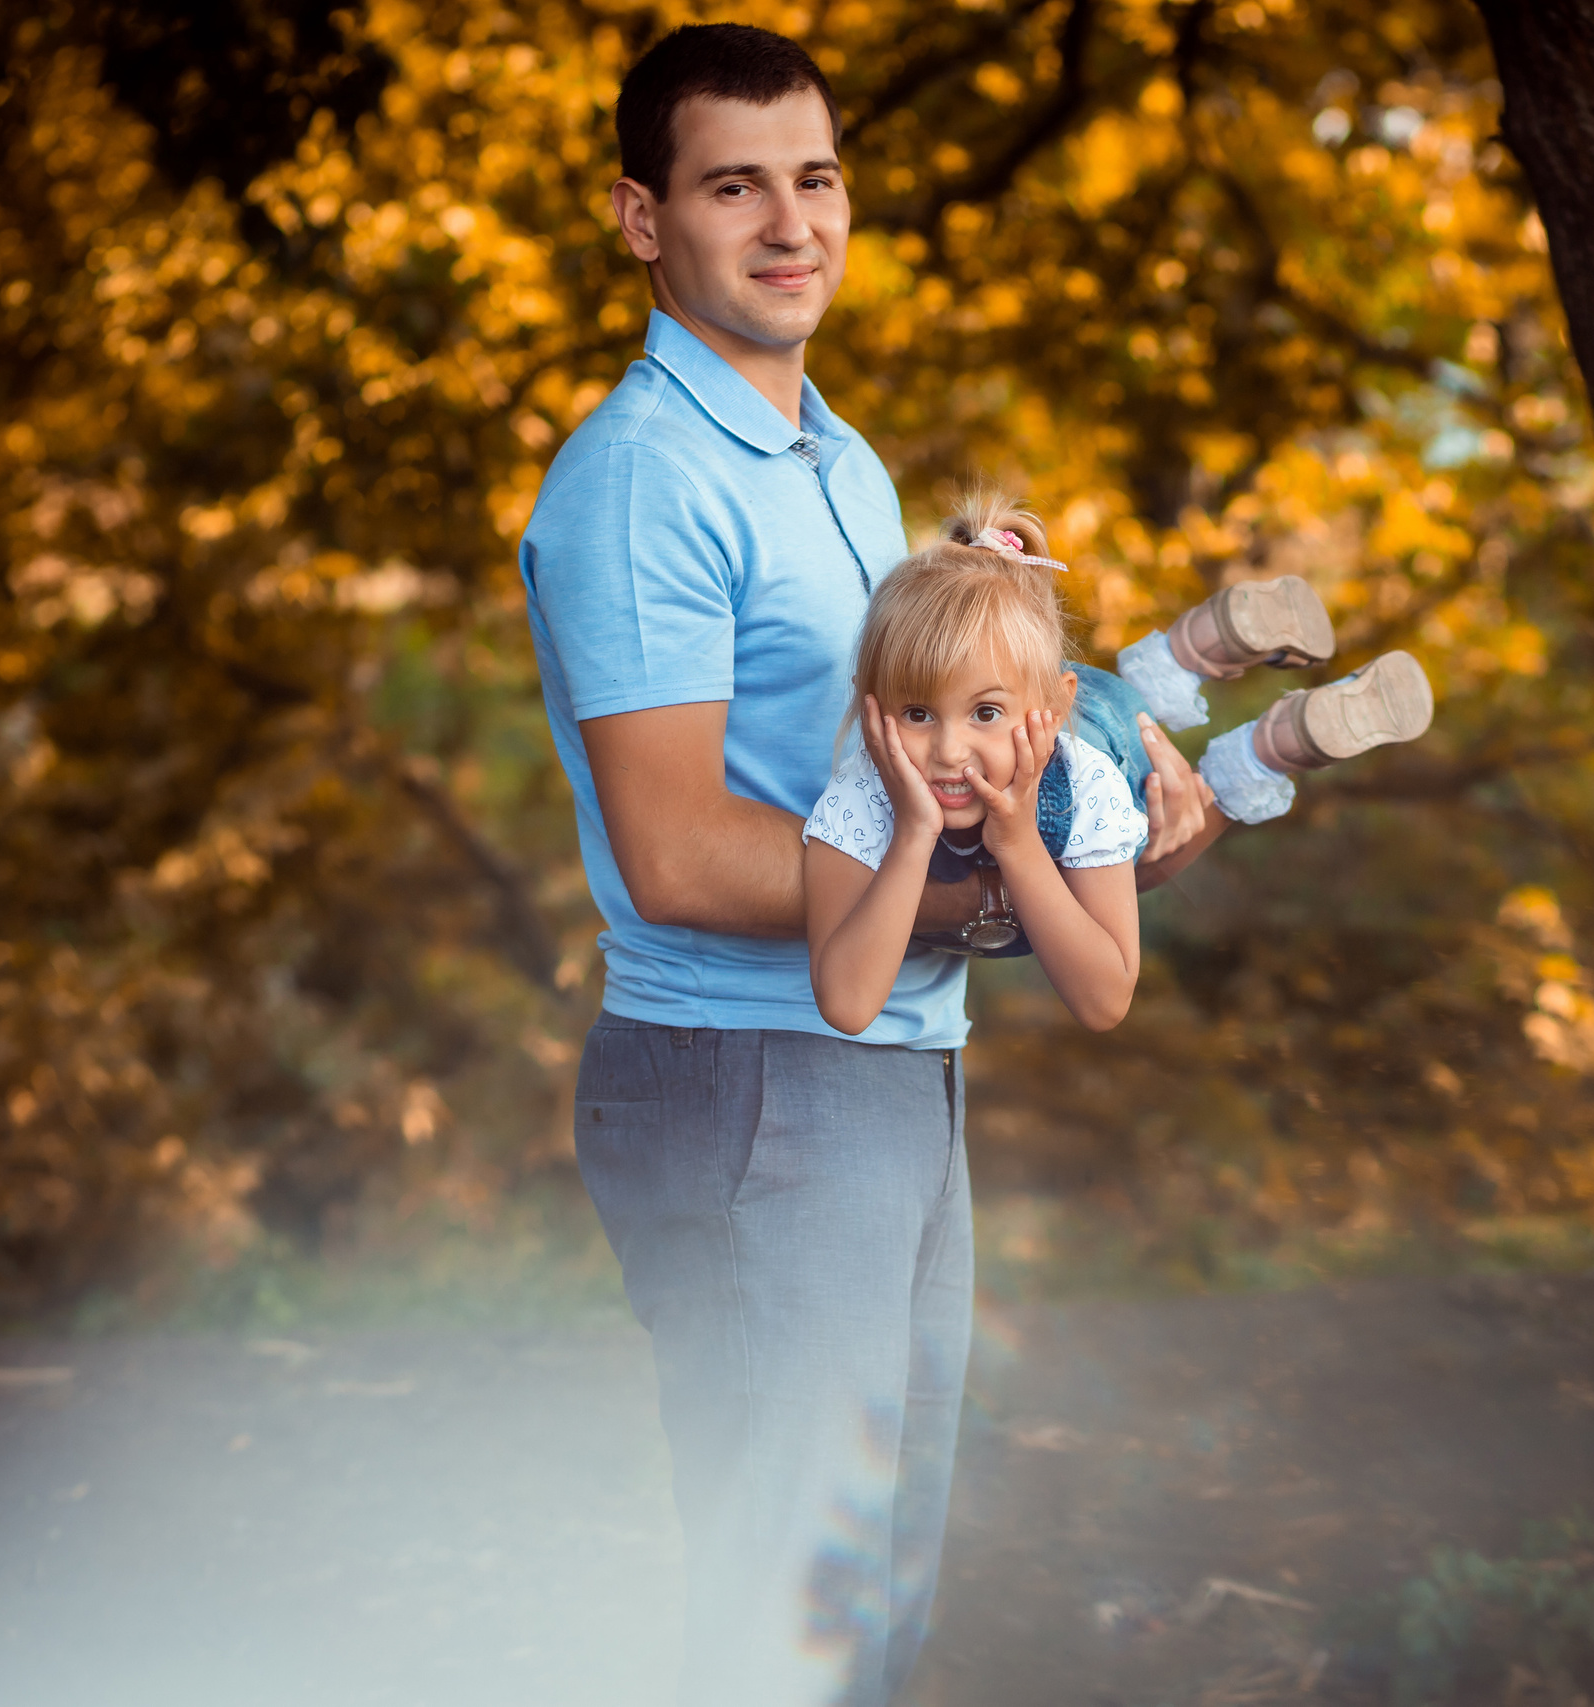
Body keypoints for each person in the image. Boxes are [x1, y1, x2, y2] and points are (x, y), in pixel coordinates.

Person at [515, 24, 1224, 1707]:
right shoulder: (642, 479)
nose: (788, 221)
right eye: (732, 183)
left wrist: (1087, 765)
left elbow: (920, 745)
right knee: (794, 1632)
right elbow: (681, 848)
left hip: (891, 1073)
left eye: (814, 177)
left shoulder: (846, 464)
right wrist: (1002, 906)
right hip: (751, 1082)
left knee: (872, 1611)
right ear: (643, 220)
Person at [807, 490, 1437, 997]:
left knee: (1159, 827)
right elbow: (846, 1003)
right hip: (1048, 717)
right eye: (917, 713)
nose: (946, 751)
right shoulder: (864, 790)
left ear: (1050, 712)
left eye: (983, 712)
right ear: (871, 706)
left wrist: (1022, 845)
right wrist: (914, 834)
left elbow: (1107, 1000)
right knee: (1129, 845)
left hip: (1103, 737)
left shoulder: (1088, 783)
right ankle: (1258, 709)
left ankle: (1262, 735)